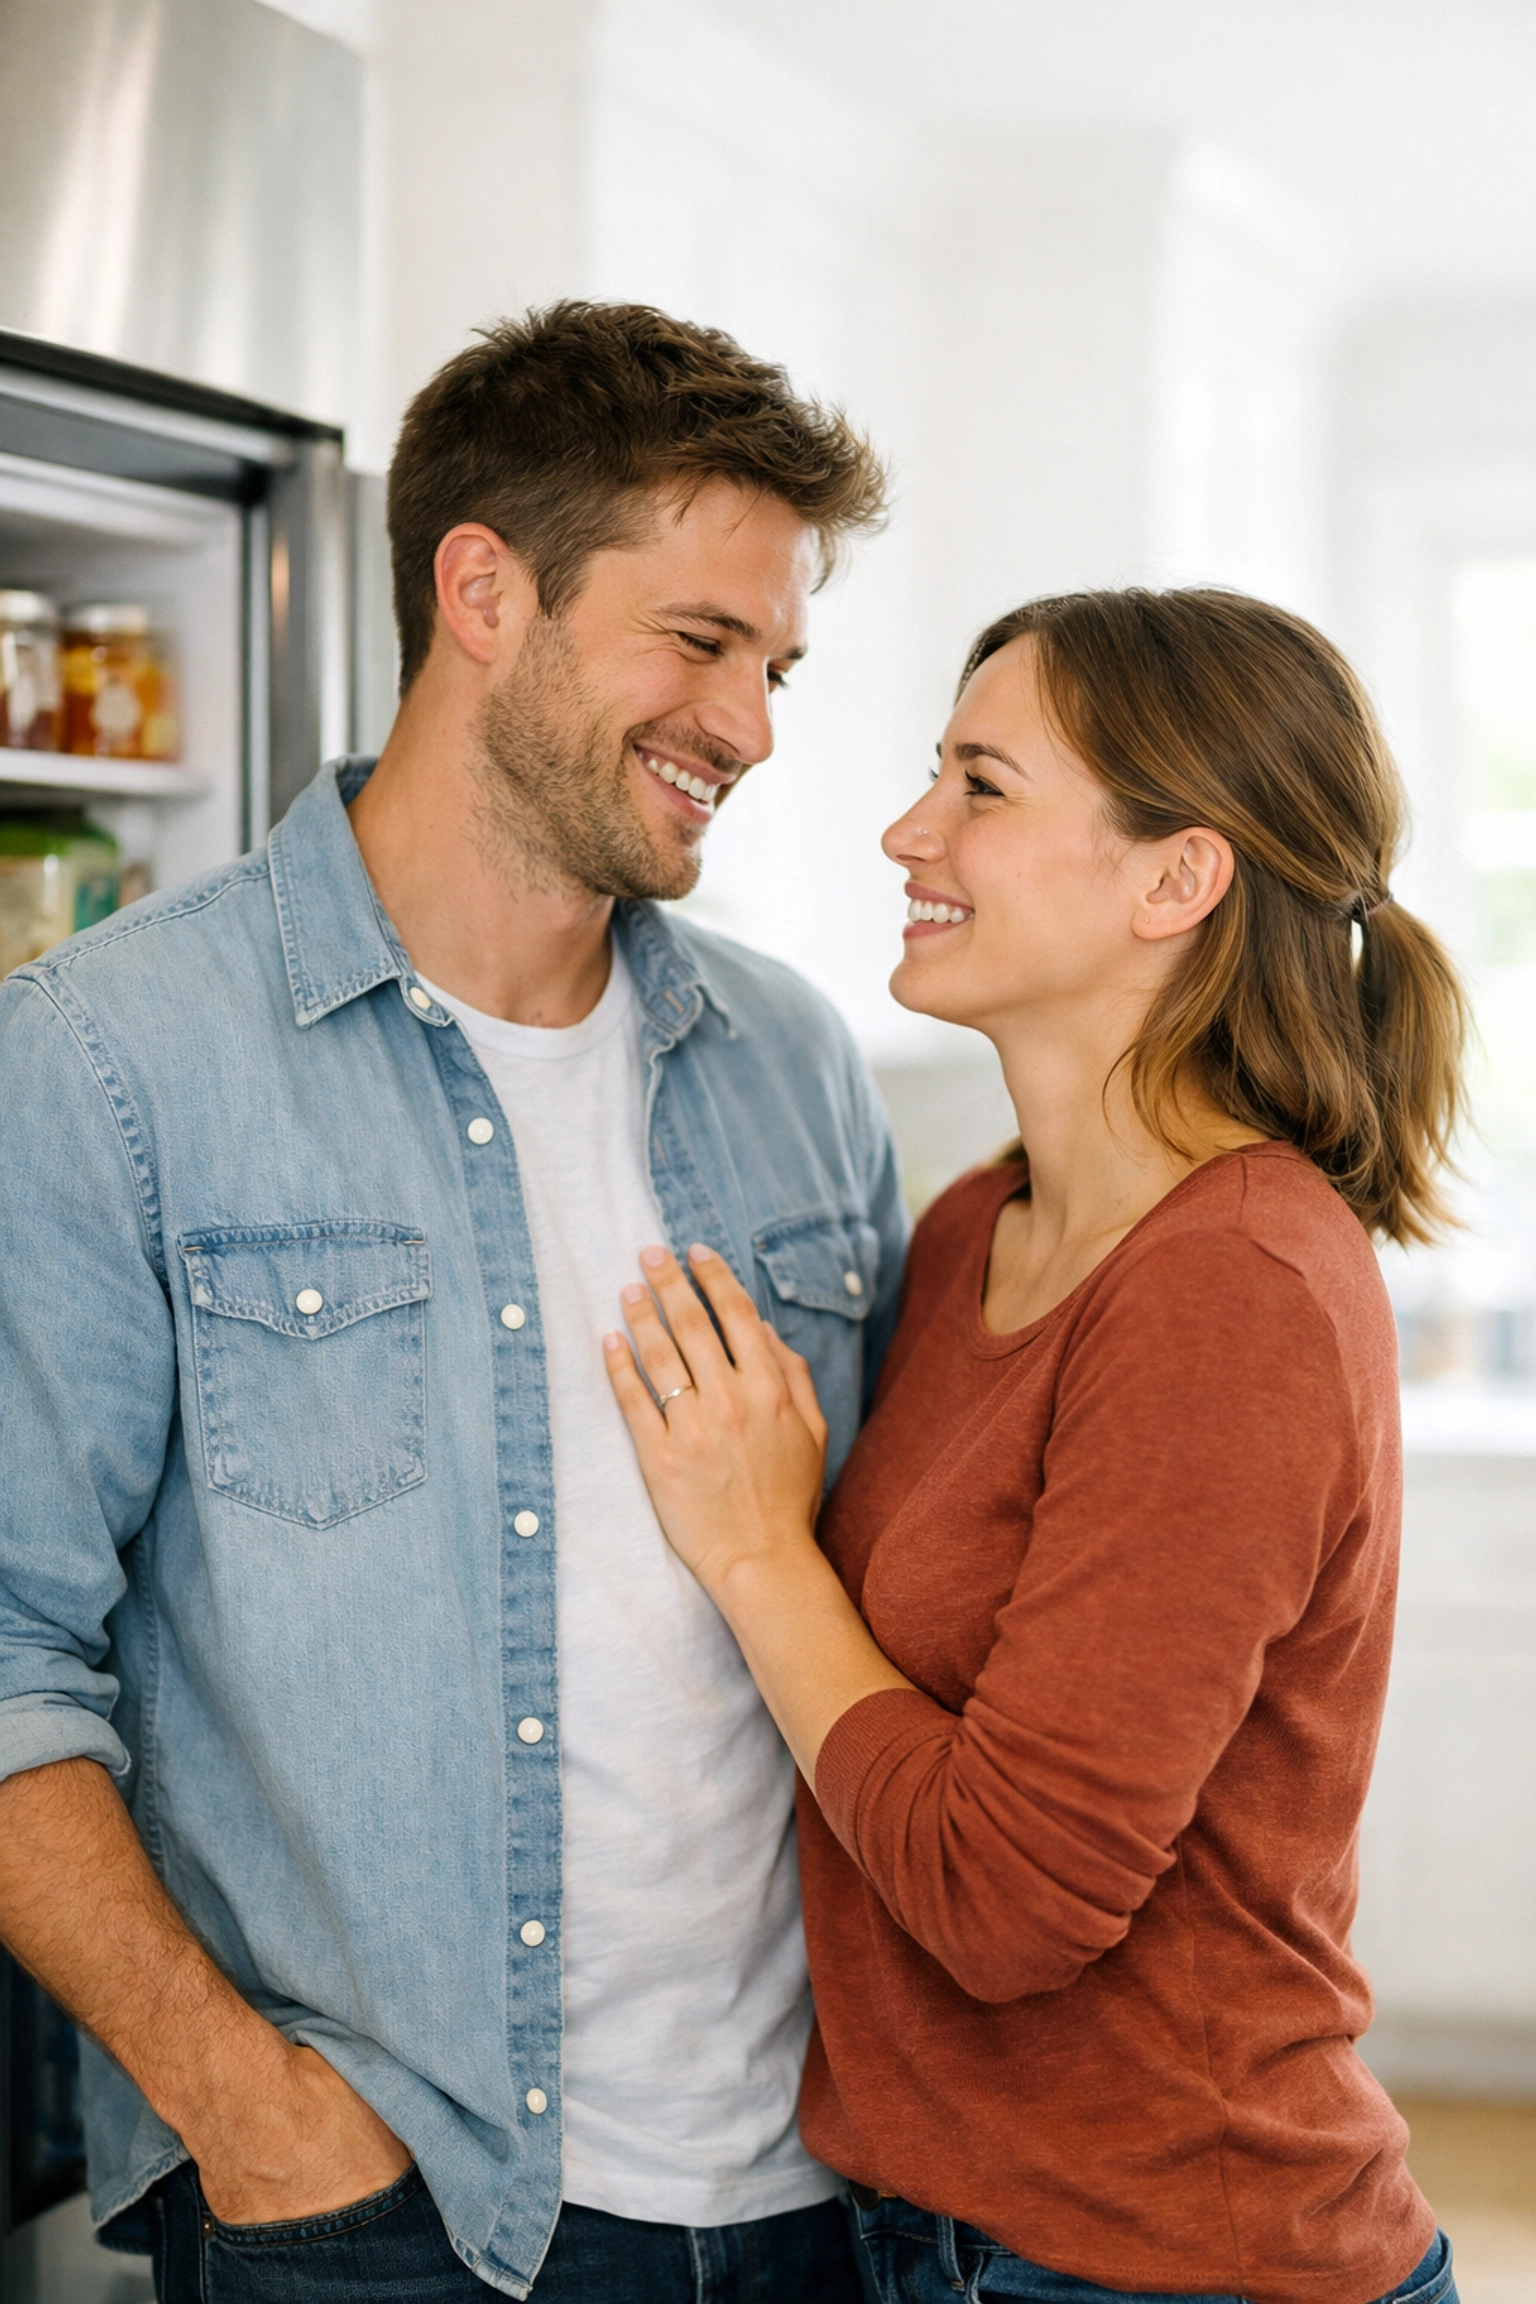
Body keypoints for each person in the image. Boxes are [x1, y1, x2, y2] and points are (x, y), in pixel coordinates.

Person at [0, 302, 904, 2303]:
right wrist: (242, 2107)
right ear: (481, 590)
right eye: (700, 641)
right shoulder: (113, 1058)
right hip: (388, 2212)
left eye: (776, 663)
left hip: (825, 2196)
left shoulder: (794, 1066)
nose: (751, 724)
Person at [605, 587, 1469, 2304]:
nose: (906, 828)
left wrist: (760, 1552)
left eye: (982, 786)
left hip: (1169, 2262)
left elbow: (1007, 1903)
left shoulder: (1232, 1288)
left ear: (1176, 879)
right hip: (933, 2235)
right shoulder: (970, 1230)